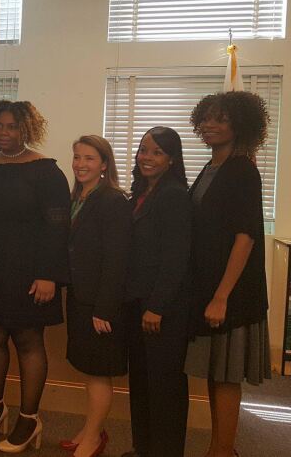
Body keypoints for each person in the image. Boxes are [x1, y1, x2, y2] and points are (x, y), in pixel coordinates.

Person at [0, 100, 70, 453]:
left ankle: (29, 418)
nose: (5, 133)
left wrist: (49, 274)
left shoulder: (46, 170)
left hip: (29, 271)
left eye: (12, 127)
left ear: (27, 129)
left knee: (27, 340)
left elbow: (57, 228)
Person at [185, 92, 271, 457]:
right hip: (208, 287)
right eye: (205, 118)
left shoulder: (241, 169)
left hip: (232, 293)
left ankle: (221, 451)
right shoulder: (212, 165)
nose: (210, 125)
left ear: (240, 124)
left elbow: (245, 237)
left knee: (226, 376)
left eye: (220, 119)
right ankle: (221, 448)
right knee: (213, 372)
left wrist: (221, 296)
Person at [121, 126, 191, 457]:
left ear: (171, 159)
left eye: (157, 152)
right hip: (137, 302)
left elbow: (176, 256)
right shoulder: (140, 192)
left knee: (164, 387)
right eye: (143, 150)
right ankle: (143, 447)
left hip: (161, 309)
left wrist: (158, 306)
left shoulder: (174, 194)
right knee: (142, 383)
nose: (147, 157)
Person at [61, 135, 131, 457]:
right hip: (80, 296)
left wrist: (104, 308)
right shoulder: (79, 196)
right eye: (77, 157)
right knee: (89, 369)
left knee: (99, 371)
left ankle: (94, 439)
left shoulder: (112, 200)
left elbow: (117, 258)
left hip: (101, 303)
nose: (80, 164)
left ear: (104, 164)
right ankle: (90, 429)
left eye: (89, 158)